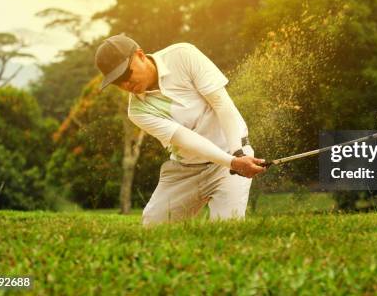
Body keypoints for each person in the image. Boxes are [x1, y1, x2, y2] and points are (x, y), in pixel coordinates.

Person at [94, 34, 266, 226]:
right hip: (186, 170)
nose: (126, 84)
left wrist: (237, 155)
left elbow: (221, 104)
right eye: (118, 82)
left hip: (230, 156)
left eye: (127, 74)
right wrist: (233, 162)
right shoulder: (137, 111)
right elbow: (186, 138)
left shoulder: (182, 55)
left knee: (227, 227)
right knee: (153, 226)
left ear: (140, 55)